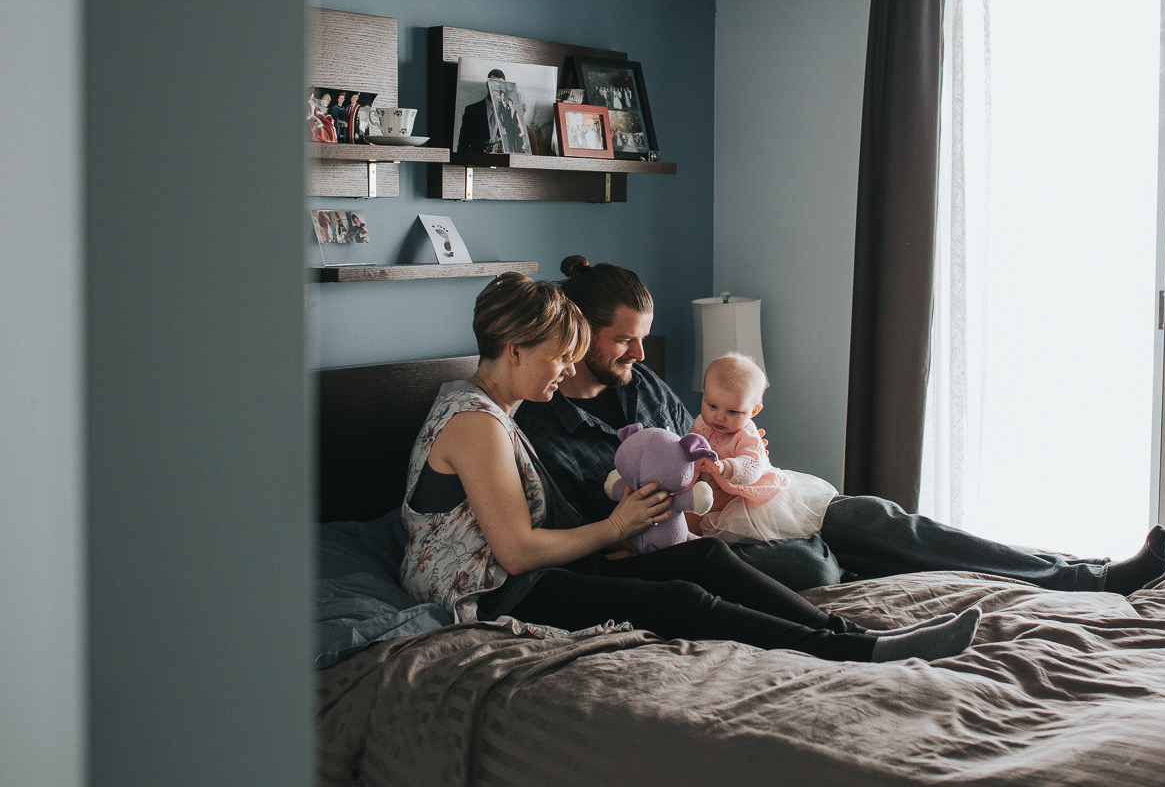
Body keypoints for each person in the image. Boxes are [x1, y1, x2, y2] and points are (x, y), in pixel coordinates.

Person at [397, 271, 980, 664]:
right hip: (499, 596)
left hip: (529, 577)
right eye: (558, 358)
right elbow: (517, 552)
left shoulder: (493, 410)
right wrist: (618, 527)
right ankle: (854, 653)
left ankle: (859, 638)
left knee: (705, 557)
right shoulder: (476, 423)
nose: (564, 371)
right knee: (676, 599)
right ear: (515, 349)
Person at [513, 256, 1165, 594]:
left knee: (886, 520)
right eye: (624, 340)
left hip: (746, 519)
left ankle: (1083, 575)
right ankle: (838, 560)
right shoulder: (539, 426)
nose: (641, 354)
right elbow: (585, 533)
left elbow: (705, 454)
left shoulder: (646, 388)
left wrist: (731, 470)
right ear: (578, 331)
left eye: (644, 338)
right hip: (687, 557)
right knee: (811, 564)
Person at [687, 352, 838, 545]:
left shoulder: (746, 434)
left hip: (746, 500)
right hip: (710, 501)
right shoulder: (701, 422)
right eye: (712, 405)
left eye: (732, 412)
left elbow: (752, 464)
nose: (719, 417)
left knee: (759, 535)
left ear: (754, 411)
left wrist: (726, 468)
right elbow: (690, 443)